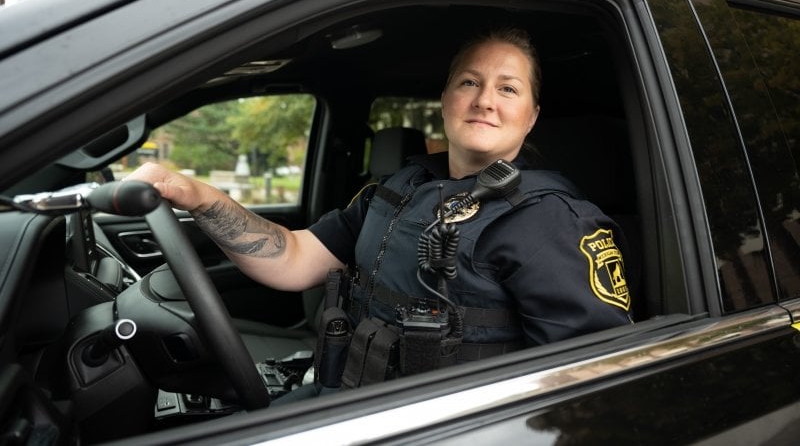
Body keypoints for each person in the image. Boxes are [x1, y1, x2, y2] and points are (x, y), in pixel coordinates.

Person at [126, 26, 633, 390]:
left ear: (532, 116)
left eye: (508, 88)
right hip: (348, 393)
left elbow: (589, 387)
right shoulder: (399, 188)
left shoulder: (552, 222)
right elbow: (293, 257)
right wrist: (196, 195)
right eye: (469, 82)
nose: (485, 100)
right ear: (446, 98)